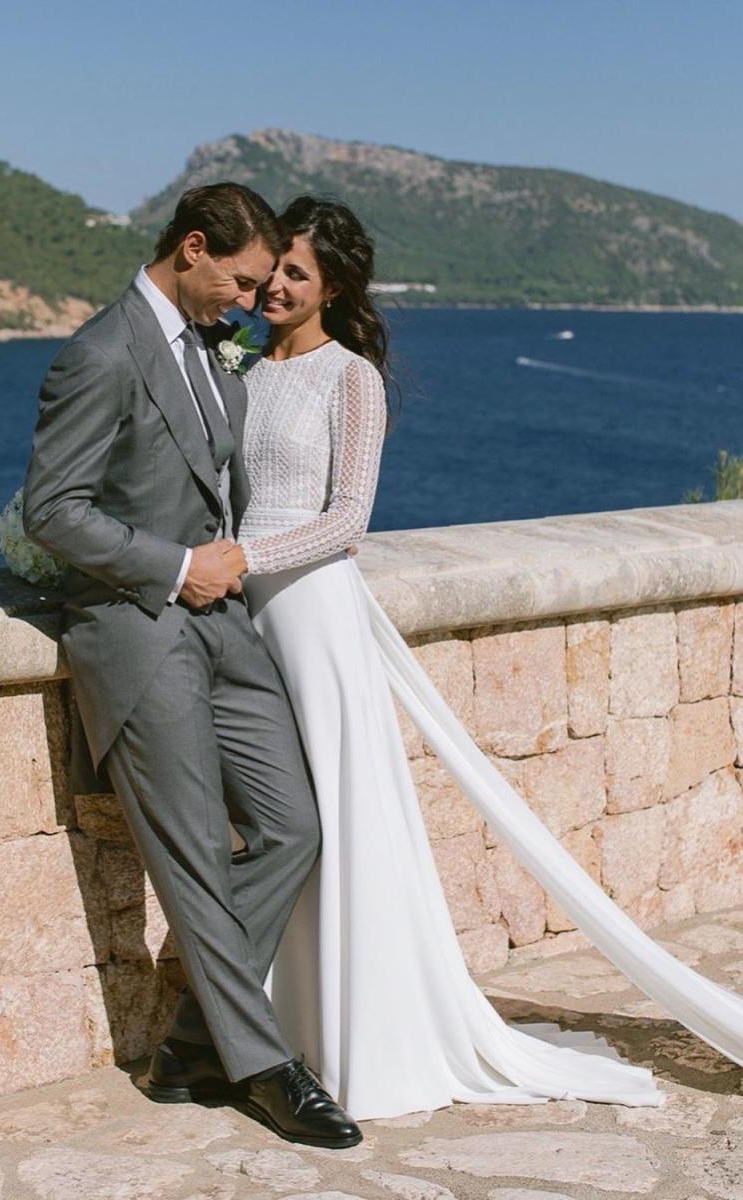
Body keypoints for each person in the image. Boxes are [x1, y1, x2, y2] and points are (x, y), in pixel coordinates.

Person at [235, 195, 743, 1120]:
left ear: (333, 287)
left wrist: (244, 556)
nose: (274, 285)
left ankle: (360, 1034)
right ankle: (275, 1024)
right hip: (243, 617)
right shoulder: (240, 366)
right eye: (272, 268)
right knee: (279, 820)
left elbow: (348, 520)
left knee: (337, 822)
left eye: (295, 274)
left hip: (310, 615)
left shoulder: (350, 378)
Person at [21, 183, 363, 1149]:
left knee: (295, 828)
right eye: (244, 282)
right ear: (195, 249)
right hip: (138, 631)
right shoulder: (99, 351)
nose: (252, 303)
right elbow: (55, 509)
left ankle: (189, 1043)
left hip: (227, 630)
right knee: (198, 862)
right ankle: (264, 1066)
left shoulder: (218, 352)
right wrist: (175, 567)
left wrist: (224, 568)